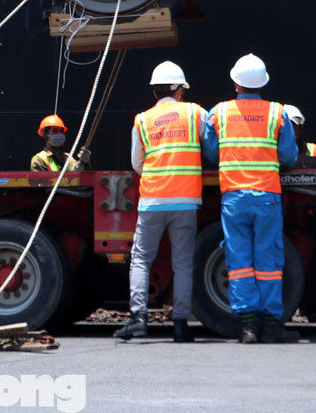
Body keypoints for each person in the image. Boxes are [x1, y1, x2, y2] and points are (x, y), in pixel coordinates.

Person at [202, 53, 299, 344]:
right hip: (267, 196)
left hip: (233, 197)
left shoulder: (218, 113)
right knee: (268, 259)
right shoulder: (277, 113)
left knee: (239, 259)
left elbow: (210, 152)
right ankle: (271, 325)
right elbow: (289, 156)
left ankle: (247, 327)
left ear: (235, 83)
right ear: (263, 83)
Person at [115, 61, 205, 344]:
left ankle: (138, 320)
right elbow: (211, 144)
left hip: (152, 199)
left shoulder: (142, 119)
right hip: (186, 199)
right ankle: (180, 325)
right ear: (179, 90)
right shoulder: (194, 113)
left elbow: (136, 162)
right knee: (183, 264)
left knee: (141, 259)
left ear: (154, 93)